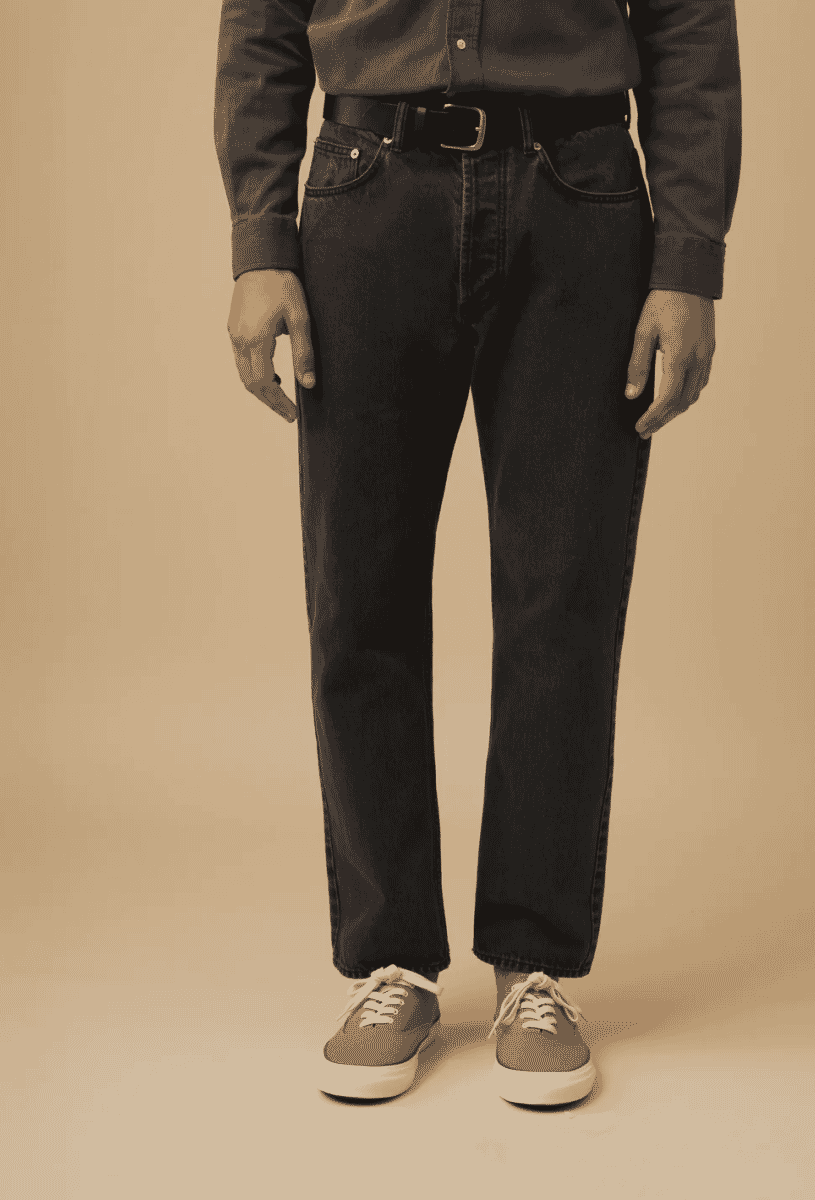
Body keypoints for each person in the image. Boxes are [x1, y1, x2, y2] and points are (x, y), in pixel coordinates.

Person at [214, 0, 741, 1106]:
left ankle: (533, 962)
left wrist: (687, 259)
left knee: (563, 597)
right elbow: (262, 20)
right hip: (366, 190)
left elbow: (689, 24)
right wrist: (261, 240)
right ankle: (391, 958)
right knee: (360, 595)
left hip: (583, 194)